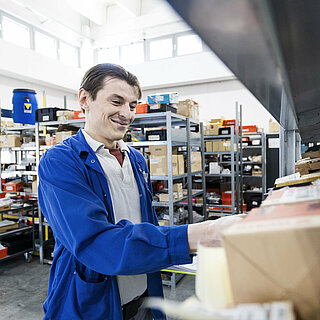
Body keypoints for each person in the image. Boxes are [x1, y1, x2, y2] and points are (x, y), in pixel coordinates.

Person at [38, 63, 242, 320]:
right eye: (116, 101)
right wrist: (201, 234)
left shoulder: (135, 159)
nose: (126, 113)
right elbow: (96, 243)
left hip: (143, 293)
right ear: (85, 99)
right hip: (92, 303)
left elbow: (144, 223)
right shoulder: (61, 162)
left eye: (132, 105)